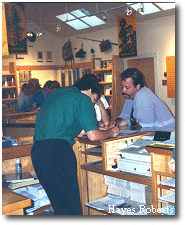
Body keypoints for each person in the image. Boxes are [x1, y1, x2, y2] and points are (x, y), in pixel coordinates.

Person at [31, 74, 119, 215]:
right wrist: (111, 131)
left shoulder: (56, 94)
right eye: (94, 99)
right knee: (71, 208)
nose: (92, 103)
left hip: (39, 152)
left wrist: (89, 130)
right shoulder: (83, 98)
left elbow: (61, 127)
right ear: (90, 90)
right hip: (58, 153)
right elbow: (94, 136)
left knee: (60, 206)